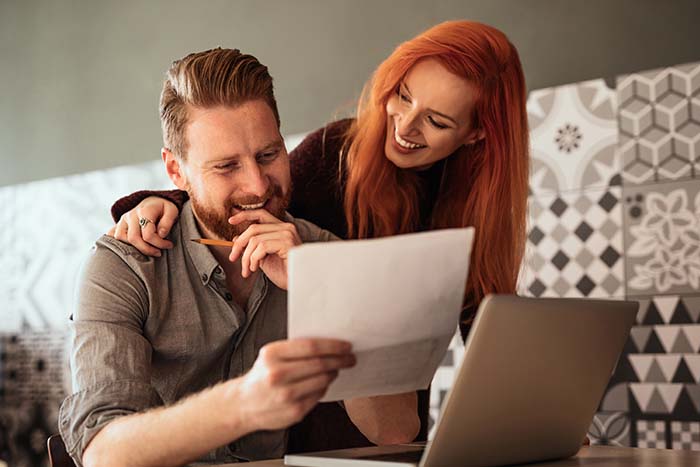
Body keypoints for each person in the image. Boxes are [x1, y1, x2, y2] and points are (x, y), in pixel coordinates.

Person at [109, 20, 530, 452]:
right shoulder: (335, 154)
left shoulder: (476, 209)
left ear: (477, 133)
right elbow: (256, 200)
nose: (404, 126)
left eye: (437, 121)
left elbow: (487, 333)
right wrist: (162, 201)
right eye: (402, 96)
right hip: (307, 424)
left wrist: (532, 418)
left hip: (390, 420)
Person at [60, 48, 420, 467]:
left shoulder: (322, 254)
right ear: (176, 171)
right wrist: (245, 403)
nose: (257, 185)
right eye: (227, 166)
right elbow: (104, 454)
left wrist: (319, 290)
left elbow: (395, 429)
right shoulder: (123, 265)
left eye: (269, 155)